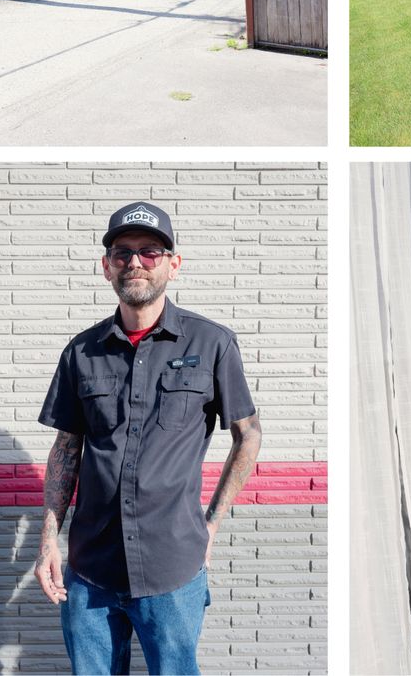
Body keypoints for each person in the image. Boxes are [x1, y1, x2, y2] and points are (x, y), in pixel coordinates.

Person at [35, 201, 262, 675]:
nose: (135, 262)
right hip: (90, 570)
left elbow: (247, 436)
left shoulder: (212, 344)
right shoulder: (81, 352)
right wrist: (47, 543)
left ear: (173, 265)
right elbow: (65, 452)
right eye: (122, 253)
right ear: (106, 268)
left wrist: (213, 523)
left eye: (150, 252)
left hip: (173, 567)